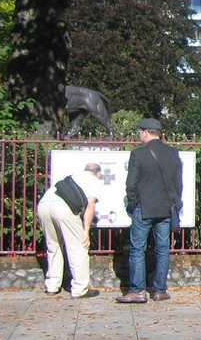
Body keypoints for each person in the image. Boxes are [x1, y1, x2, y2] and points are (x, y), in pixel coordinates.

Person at [118, 118, 183, 303]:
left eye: (140, 132)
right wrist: (175, 205)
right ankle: (160, 290)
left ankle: (138, 290)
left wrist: (132, 203)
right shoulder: (173, 153)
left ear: (145, 132)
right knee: (163, 249)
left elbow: (131, 184)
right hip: (165, 208)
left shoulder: (138, 154)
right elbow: (178, 184)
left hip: (144, 207)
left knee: (138, 249)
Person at [37, 162, 102, 298]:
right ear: (98, 173)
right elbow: (90, 206)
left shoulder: (73, 177)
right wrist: (86, 231)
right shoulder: (94, 180)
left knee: (53, 246)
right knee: (78, 247)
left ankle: (52, 286)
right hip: (63, 207)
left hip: (43, 204)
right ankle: (80, 289)